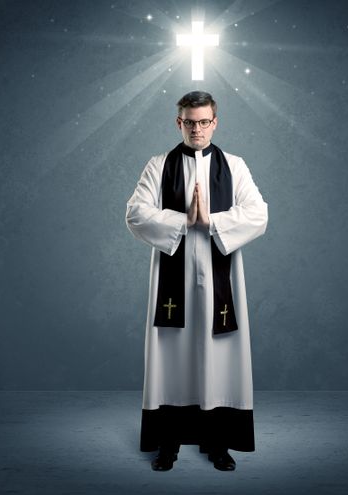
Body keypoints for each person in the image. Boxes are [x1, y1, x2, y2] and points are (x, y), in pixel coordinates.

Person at [126, 91, 268, 471]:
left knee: (219, 356)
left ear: (215, 122)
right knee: (172, 357)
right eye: (190, 122)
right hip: (174, 281)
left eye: (204, 121)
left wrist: (213, 222)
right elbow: (136, 214)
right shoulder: (159, 165)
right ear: (179, 123)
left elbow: (258, 213)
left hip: (221, 279)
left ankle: (217, 442)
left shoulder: (234, 166)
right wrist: (183, 221)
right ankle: (167, 443)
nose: (197, 129)